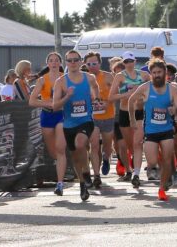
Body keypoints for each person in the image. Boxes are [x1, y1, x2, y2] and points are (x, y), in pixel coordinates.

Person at [127, 59, 177, 201]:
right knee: (152, 161)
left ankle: (162, 188)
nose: (157, 75)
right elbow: (131, 101)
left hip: (167, 130)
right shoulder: (145, 87)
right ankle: (165, 174)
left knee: (166, 158)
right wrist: (132, 120)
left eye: (159, 72)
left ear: (165, 72)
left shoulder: (173, 89)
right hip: (151, 131)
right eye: (154, 73)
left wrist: (174, 109)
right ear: (150, 74)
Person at [53, 50, 100, 201]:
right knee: (75, 157)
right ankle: (82, 183)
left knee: (81, 144)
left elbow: (96, 88)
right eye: (70, 60)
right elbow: (55, 106)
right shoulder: (61, 81)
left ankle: (86, 172)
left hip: (86, 120)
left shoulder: (89, 78)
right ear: (66, 63)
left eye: (75, 60)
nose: (73, 63)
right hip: (69, 124)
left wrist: (95, 97)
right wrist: (67, 96)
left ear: (81, 62)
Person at [108, 51, 149, 186]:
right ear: (123, 63)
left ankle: (136, 174)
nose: (129, 64)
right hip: (125, 112)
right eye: (126, 62)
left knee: (137, 143)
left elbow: (154, 88)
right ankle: (130, 169)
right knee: (128, 145)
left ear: (135, 61)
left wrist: (144, 97)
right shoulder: (120, 76)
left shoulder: (143, 75)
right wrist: (125, 95)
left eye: (131, 61)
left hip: (138, 112)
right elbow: (111, 97)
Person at [29, 52, 67, 196]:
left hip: (62, 115)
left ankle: (60, 183)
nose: (54, 63)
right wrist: (48, 103)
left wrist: (61, 102)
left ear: (60, 63)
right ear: (48, 64)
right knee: (54, 152)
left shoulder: (65, 78)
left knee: (60, 148)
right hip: (47, 115)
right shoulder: (42, 80)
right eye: (51, 60)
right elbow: (32, 101)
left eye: (56, 60)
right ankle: (60, 164)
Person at [84, 51, 115, 187]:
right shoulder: (83, 78)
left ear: (99, 63)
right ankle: (96, 175)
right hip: (93, 118)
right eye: (89, 64)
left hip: (108, 116)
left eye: (94, 63)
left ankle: (107, 158)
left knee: (107, 146)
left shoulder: (108, 76)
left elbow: (116, 94)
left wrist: (107, 102)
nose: (91, 66)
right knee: (94, 145)